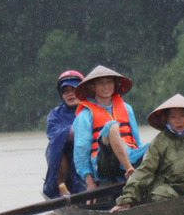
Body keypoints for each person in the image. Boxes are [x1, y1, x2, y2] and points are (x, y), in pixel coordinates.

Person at [110, 94, 184, 213]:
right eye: (173, 117)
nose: (178, 121)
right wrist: (127, 199)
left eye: (182, 116)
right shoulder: (160, 141)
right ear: (167, 119)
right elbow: (145, 171)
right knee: (160, 194)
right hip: (169, 189)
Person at [72, 65, 148, 191]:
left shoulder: (127, 108)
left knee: (156, 145)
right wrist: (89, 181)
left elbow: (136, 140)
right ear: (93, 87)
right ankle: (130, 173)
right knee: (112, 126)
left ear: (114, 84)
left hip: (130, 155)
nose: (105, 87)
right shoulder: (85, 115)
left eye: (109, 82)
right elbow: (81, 150)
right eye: (100, 83)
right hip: (105, 163)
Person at [43, 70, 87, 199]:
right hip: (66, 158)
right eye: (66, 91)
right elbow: (55, 137)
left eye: (74, 89)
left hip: (89, 154)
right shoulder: (54, 115)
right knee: (54, 147)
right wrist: (79, 128)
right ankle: (62, 188)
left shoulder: (92, 108)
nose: (70, 94)